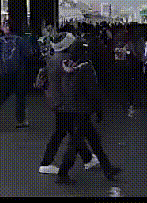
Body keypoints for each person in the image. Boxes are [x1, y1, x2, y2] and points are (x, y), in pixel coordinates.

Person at [53, 39, 121, 185]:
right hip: (82, 111)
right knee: (76, 144)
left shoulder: (70, 67)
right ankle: (62, 173)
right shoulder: (86, 68)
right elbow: (93, 91)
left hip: (72, 109)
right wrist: (99, 110)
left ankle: (107, 168)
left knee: (93, 140)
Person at [38, 32, 99, 175]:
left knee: (70, 131)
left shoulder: (52, 58)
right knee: (63, 133)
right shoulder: (66, 61)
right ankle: (46, 163)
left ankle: (88, 158)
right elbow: (70, 83)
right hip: (65, 103)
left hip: (56, 101)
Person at [0, 19, 34, 129]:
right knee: (20, 97)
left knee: (3, 95)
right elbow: (28, 54)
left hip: (4, 72)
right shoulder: (20, 40)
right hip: (19, 73)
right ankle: (21, 120)